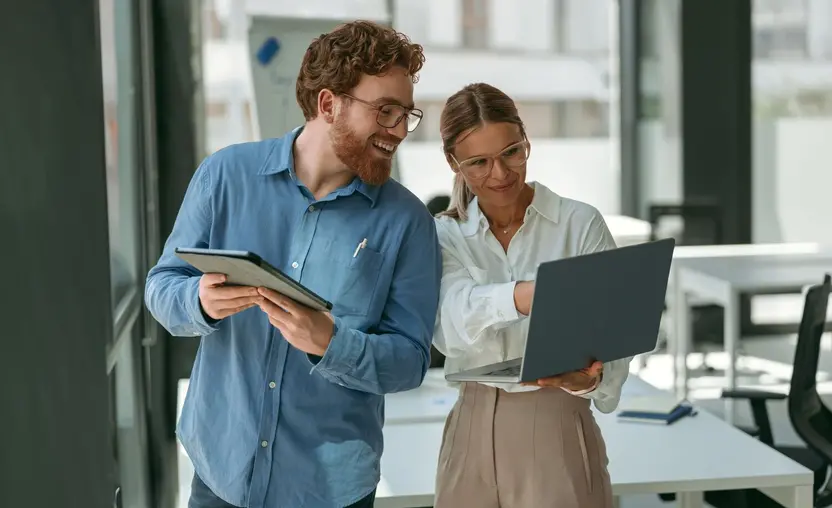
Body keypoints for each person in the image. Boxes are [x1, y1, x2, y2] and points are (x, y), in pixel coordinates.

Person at [145, 21, 442, 508]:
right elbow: (161, 287)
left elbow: (411, 361)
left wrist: (331, 343)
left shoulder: (408, 222)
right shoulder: (225, 175)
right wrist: (197, 299)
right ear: (329, 104)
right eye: (384, 110)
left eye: (405, 115)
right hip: (220, 474)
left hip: (329, 489)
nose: (397, 131)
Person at [431, 83, 631, 508]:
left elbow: (617, 333)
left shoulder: (579, 223)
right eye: (479, 162)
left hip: (557, 425)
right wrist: (525, 296)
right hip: (470, 426)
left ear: (527, 142)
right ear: (453, 162)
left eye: (511, 153)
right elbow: (448, 327)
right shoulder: (444, 235)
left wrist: (591, 378)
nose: (500, 174)